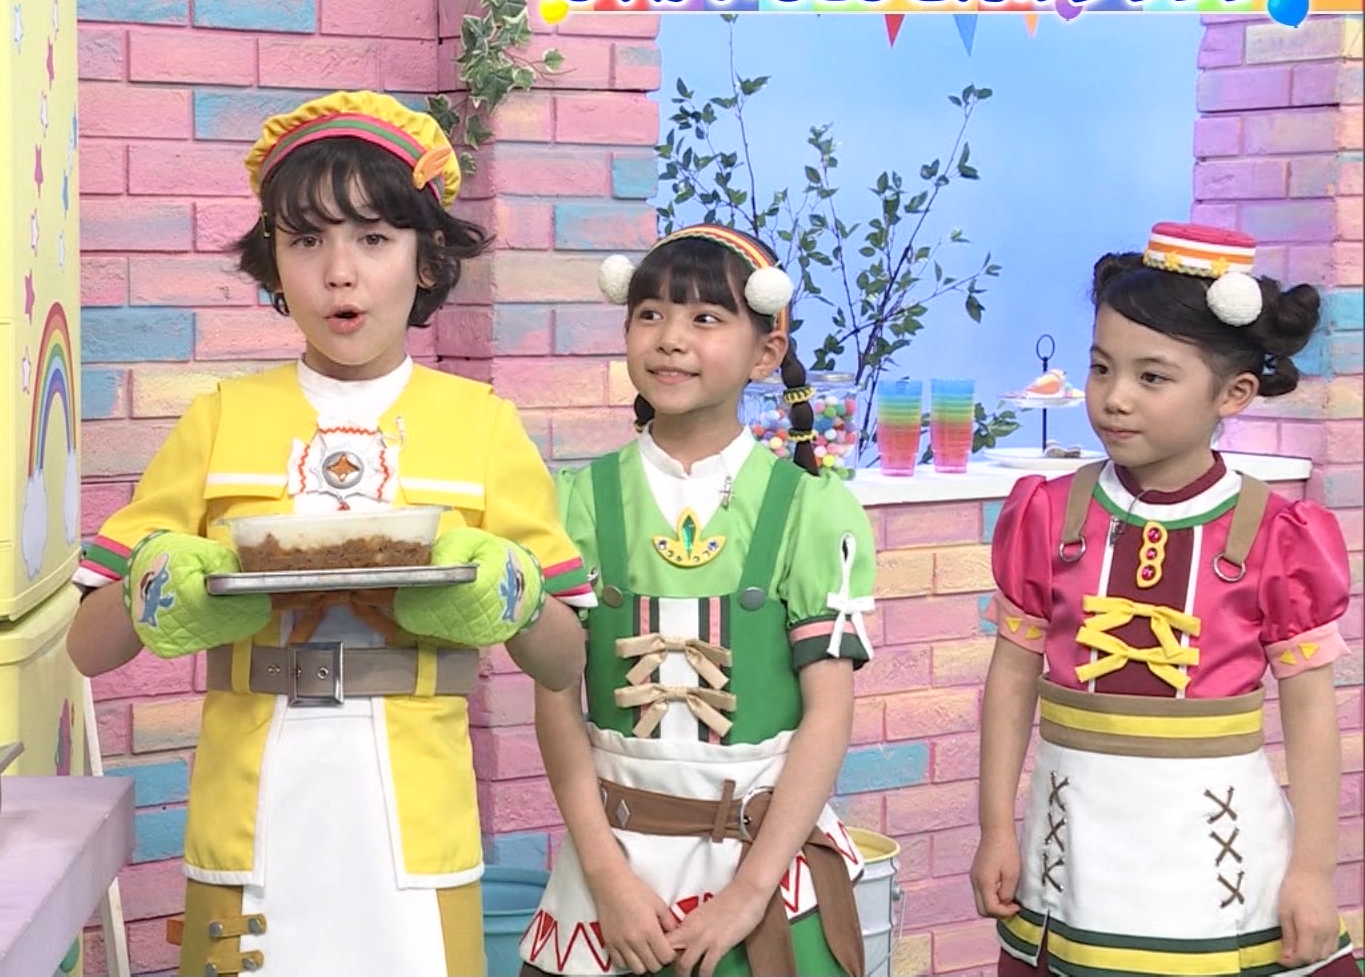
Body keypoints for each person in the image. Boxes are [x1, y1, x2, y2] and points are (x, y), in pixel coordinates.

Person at [65, 90, 596, 977]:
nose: (339, 273)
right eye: (306, 241)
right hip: (251, 819)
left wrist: (508, 590)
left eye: (374, 239)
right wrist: (164, 584)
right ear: (273, 264)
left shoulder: (483, 425)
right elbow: (88, 648)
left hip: (415, 826)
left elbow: (564, 661)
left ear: (427, 260)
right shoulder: (219, 419)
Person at [972, 222, 1361, 977]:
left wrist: (1313, 872)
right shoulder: (1047, 516)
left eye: (1152, 378)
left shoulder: (1278, 535)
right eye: (1101, 368)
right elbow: (1012, 678)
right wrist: (995, 828)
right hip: (1070, 860)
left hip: (1220, 864)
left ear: (1234, 393)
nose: (1114, 399)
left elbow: (1312, 713)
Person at [522, 224, 875, 977]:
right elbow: (555, 698)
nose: (671, 339)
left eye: (705, 318)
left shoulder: (812, 510)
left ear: (765, 353)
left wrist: (750, 892)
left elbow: (828, 714)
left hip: (766, 874)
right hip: (611, 876)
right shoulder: (576, 501)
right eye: (650, 314)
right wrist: (607, 876)